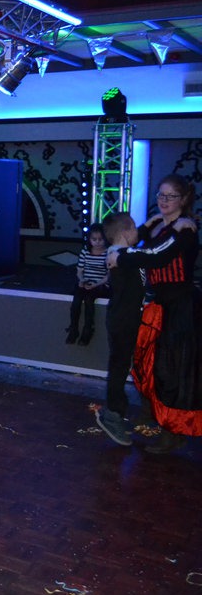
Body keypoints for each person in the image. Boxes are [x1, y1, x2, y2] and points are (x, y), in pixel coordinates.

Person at [111, 175, 201, 453]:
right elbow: (132, 237)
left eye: (171, 196)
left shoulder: (185, 229)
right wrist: (148, 224)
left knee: (172, 370)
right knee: (147, 364)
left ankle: (173, 432)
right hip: (160, 305)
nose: (164, 200)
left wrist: (121, 256)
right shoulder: (159, 225)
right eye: (161, 195)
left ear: (183, 199)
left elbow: (156, 255)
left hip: (181, 307)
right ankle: (154, 414)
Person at [94, 213, 147, 446]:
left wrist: (151, 224)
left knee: (123, 364)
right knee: (119, 365)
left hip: (126, 318)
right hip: (123, 320)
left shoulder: (124, 254)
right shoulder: (121, 256)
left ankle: (118, 411)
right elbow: (152, 255)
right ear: (126, 232)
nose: (138, 232)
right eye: (134, 228)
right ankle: (112, 414)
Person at [65, 223, 109, 345]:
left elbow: (109, 276)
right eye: (94, 239)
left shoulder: (108, 253)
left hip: (100, 284)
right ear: (89, 239)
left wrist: (96, 284)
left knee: (89, 300)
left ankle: (88, 329)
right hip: (86, 282)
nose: (97, 242)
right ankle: (73, 328)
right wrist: (81, 280)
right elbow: (79, 270)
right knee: (76, 301)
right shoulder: (85, 251)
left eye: (100, 239)